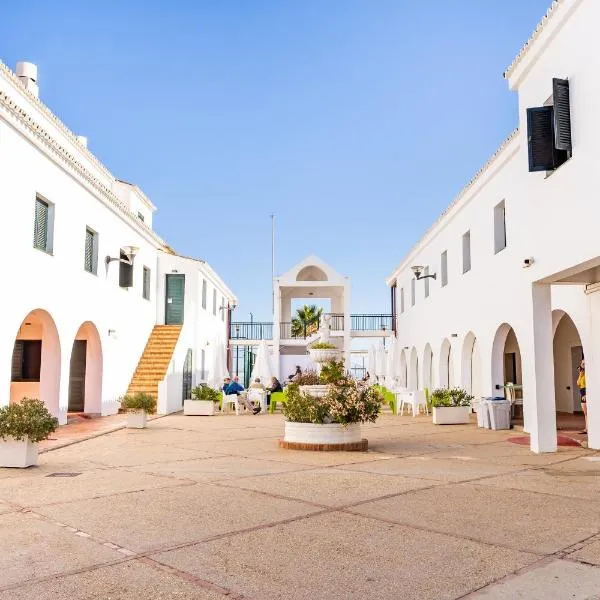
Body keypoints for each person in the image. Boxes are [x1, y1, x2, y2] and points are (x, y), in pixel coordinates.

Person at [577, 359, 587, 434]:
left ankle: (587, 429)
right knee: (585, 413)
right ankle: (586, 428)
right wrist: (580, 374)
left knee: (587, 413)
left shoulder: (587, 373)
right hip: (582, 393)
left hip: (585, 394)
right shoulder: (582, 374)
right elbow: (578, 383)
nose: (581, 365)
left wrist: (586, 394)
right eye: (581, 363)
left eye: (583, 363)